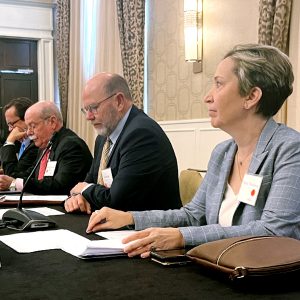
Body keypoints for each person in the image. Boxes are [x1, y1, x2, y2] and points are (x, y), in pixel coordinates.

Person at [85, 44, 300, 258]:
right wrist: (130, 218)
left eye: (219, 84)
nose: (208, 96)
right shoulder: (223, 153)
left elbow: (274, 232)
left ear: (251, 96)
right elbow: (193, 215)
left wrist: (182, 237)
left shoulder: (290, 149)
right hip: (220, 267)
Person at [64, 73, 181, 214]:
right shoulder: (102, 138)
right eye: (86, 110)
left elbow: (116, 200)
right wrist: (77, 197)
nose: (89, 117)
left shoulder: (142, 135)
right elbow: (90, 181)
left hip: (150, 229)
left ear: (119, 101)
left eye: (94, 107)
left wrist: (83, 189)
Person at [0, 101, 93, 194]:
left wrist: (15, 183)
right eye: (28, 127)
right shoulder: (45, 146)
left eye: (33, 126)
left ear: (52, 122)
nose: (28, 132)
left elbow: (60, 186)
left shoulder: (71, 145)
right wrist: (9, 182)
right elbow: (28, 176)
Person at [0, 97, 38, 178]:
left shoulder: (37, 144)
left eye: (11, 124)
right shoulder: (23, 142)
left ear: (26, 118)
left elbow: (12, 176)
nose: (10, 129)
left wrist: (9, 141)